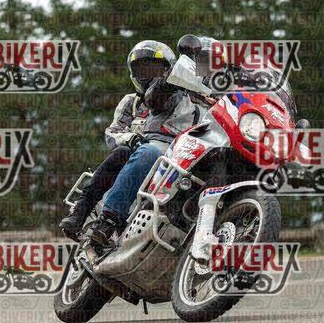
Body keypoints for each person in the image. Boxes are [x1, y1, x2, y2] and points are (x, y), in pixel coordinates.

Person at [87, 36, 221, 248]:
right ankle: (108, 221)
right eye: (204, 65)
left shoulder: (218, 98)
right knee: (149, 152)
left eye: (212, 67)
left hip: (198, 149)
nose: (207, 71)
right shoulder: (168, 91)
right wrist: (131, 138)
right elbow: (152, 101)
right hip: (161, 147)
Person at [59, 40, 176, 238]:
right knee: (123, 151)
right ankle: (82, 209)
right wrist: (131, 139)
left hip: (170, 160)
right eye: (141, 70)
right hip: (135, 158)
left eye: (153, 69)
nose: (147, 75)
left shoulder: (182, 99)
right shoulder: (131, 102)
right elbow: (112, 133)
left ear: (168, 69)